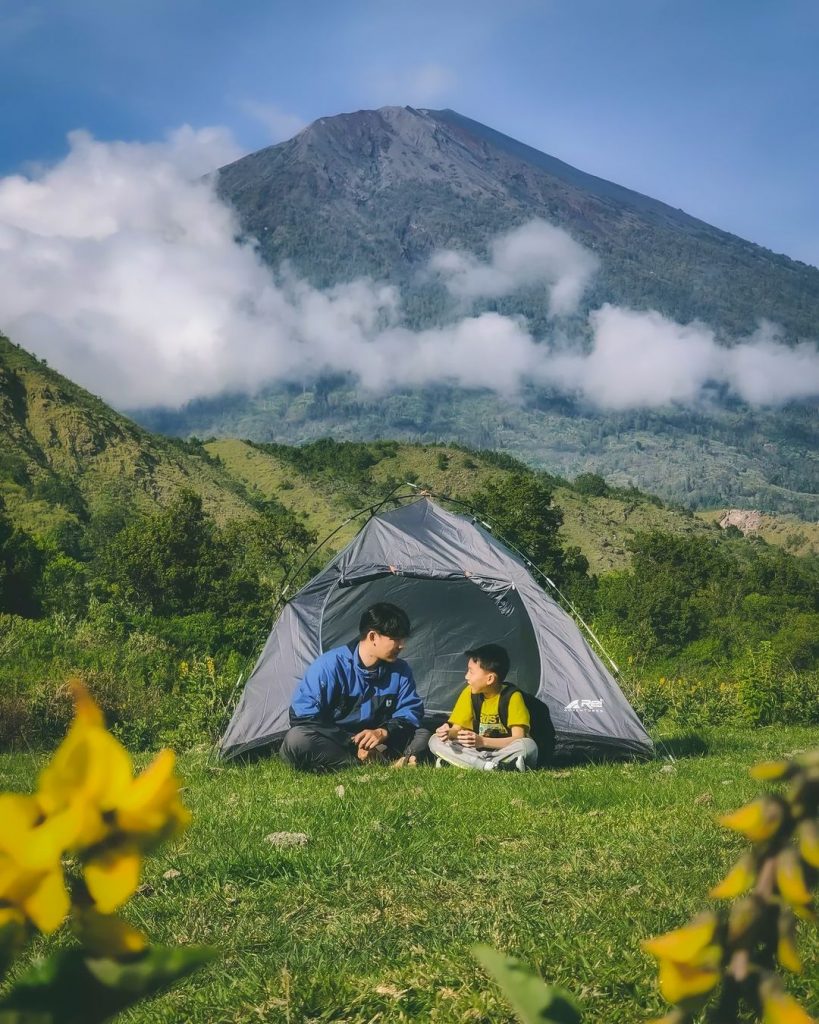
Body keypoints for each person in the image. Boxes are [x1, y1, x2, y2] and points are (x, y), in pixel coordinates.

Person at [279, 602, 425, 772]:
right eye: (396, 639)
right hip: (335, 741)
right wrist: (353, 742)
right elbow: (302, 716)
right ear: (372, 637)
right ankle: (379, 763)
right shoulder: (329, 666)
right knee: (297, 740)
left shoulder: (401, 670)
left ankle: (382, 760)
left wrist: (383, 732)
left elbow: (410, 712)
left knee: (423, 734)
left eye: (403, 639)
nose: (402, 645)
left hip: (377, 742)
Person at [428, 644, 538, 771]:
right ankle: (491, 766)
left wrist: (482, 741)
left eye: (471, 671)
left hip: (502, 751)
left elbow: (518, 737)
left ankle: (470, 763)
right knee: (435, 740)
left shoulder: (512, 697)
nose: (466, 676)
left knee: (528, 746)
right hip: (475, 751)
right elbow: (456, 729)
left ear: (490, 678)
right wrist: (447, 733)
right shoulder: (469, 693)